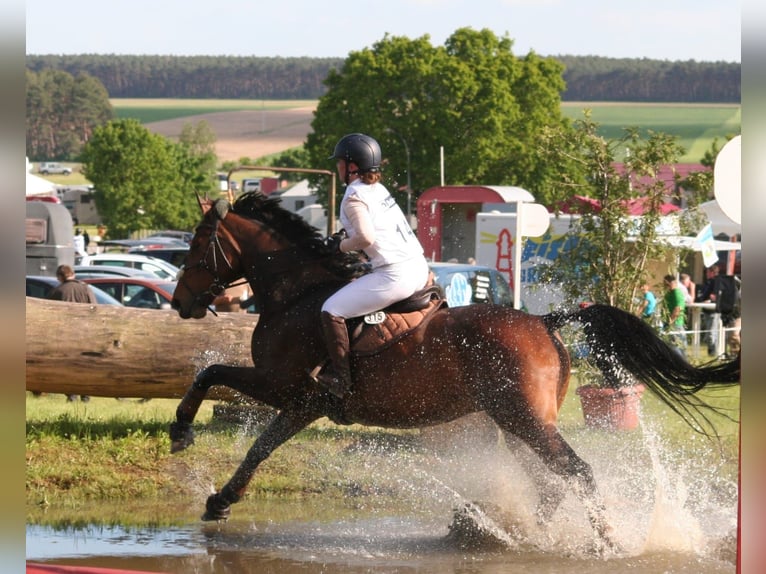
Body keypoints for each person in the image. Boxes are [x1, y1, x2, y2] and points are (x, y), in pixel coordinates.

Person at [317, 133, 429, 398]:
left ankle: (342, 380)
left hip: (395, 275)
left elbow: (366, 238)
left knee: (331, 309)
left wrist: (338, 246)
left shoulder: (354, 196)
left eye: (341, 162)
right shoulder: (378, 189)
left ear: (352, 166)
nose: (338, 167)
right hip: (419, 268)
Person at [48, 264, 97, 401]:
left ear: (59, 277)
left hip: (65, 334)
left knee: (68, 365)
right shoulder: (85, 289)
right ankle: (85, 394)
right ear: (72, 274)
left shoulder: (57, 291)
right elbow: (95, 309)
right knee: (85, 365)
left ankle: (71, 394)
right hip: (85, 332)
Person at [662, 274, 687, 355]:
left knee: (677, 349)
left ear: (671, 283)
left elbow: (677, 310)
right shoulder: (669, 293)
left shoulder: (677, 293)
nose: (664, 285)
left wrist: (670, 323)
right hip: (668, 324)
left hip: (675, 325)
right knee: (670, 348)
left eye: (666, 283)